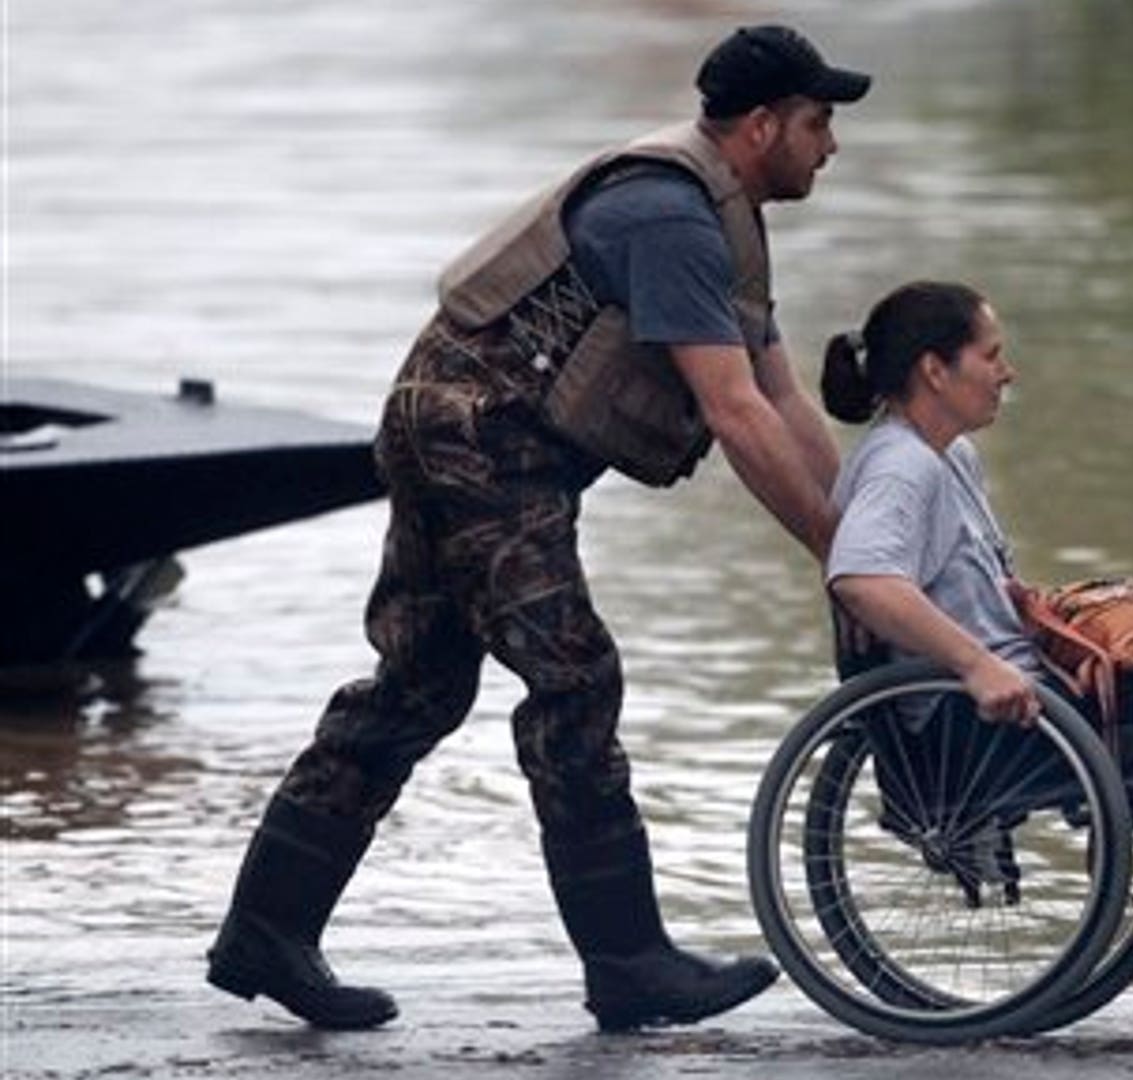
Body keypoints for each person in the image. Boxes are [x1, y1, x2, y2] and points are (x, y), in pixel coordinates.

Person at [205, 25, 870, 1033]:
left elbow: (782, 400)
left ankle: (266, 929)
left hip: (463, 432)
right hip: (478, 441)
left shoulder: (718, 218)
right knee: (574, 679)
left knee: (420, 685)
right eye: (818, 123)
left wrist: (859, 538)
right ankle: (629, 961)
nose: (831, 145)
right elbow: (735, 413)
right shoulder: (671, 218)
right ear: (762, 126)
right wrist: (832, 555)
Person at [819, 281, 1133, 998]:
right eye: (992, 356)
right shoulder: (902, 467)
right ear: (935, 370)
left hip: (1024, 694)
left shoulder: (949, 456)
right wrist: (977, 665)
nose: (1007, 372)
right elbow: (861, 580)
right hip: (971, 725)